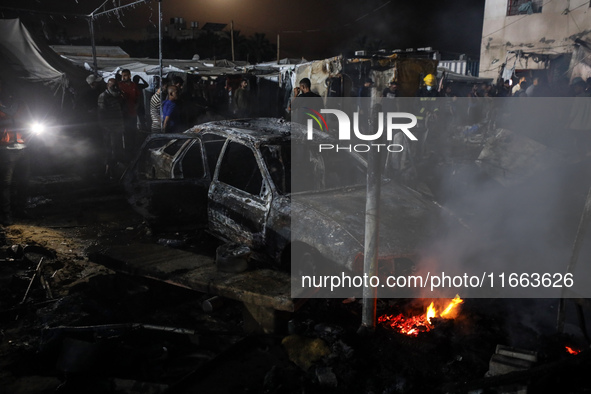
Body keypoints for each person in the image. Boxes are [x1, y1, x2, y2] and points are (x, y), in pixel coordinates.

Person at [0, 78, 29, 226]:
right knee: (6, 184)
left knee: (23, 181)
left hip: (22, 147)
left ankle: (20, 210)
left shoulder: (20, 106)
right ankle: (6, 215)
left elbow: (29, 121)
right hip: (5, 150)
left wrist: (30, 136)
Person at [98, 78, 125, 177]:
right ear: (107, 86)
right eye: (112, 85)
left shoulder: (116, 96)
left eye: (116, 85)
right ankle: (108, 170)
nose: (115, 87)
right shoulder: (103, 96)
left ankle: (115, 169)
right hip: (109, 129)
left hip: (117, 127)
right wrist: (106, 127)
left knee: (117, 148)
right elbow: (101, 113)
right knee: (110, 149)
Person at [118, 69, 141, 153]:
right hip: (124, 114)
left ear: (130, 76)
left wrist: (137, 105)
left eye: (125, 75)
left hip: (133, 113)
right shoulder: (119, 85)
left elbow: (138, 97)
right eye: (122, 76)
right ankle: (126, 150)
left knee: (133, 131)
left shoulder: (134, 85)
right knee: (125, 132)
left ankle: (133, 149)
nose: (123, 77)